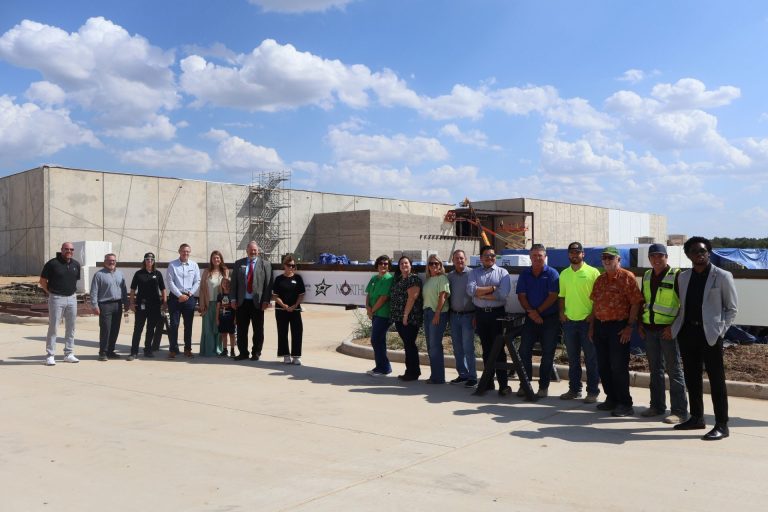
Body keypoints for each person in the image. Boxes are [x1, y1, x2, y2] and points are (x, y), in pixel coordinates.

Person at [671, 236, 738, 441]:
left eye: (703, 251)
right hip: (687, 333)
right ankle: (697, 418)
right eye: (694, 252)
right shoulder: (683, 277)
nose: (699, 255)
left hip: (710, 335)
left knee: (717, 381)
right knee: (692, 378)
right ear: (688, 255)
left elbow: (731, 309)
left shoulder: (722, 276)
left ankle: (722, 424)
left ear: (708, 252)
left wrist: (720, 331)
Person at [589, 246, 644, 417]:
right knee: (604, 366)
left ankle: (625, 403)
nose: (607, 261)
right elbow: (595, 304)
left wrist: (629, 327)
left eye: (610, 258)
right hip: (600, 326)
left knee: (618, 366)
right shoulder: (600, 279)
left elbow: (636, 303)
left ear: (618, 260)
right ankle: (611, 398)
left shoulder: (627, 277)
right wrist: (592, 327)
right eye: (604, 258)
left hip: (618, 327)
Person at [638, 243, 688, 424]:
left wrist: (673, 328)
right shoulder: (647, 275)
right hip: (650, 329)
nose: (657, 260)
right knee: (655, 370)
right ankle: (657, 406)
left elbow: (684, 306)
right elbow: (643, 301)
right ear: (649, 258)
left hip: (668, 331)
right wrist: (640, 323)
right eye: (653, 256)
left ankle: (680, 411)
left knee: (674, 371)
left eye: (660, 256)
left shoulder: (677, 276)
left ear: (667, 257)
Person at [515, 244, 560, 398]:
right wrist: (532, 313)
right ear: (530, 257)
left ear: (545, 257)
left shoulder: (552, 273)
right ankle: (524, 385)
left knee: (547, 354)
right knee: (524, 351)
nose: (537, 258)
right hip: (531, 318)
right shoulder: (525, 274)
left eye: (540, 255)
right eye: (534, 255)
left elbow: (553, 296)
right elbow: (521, 295)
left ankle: (543, 387)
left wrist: (538, 312)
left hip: (549, 320)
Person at [558, 242, 601, 403]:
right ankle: (574, 390)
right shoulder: (564, 274)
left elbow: (598, 297)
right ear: (568, 255)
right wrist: (562, 313)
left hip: (587, 322)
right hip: (569, 323)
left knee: (591, 359)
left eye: (577, 252)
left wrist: (593, 315)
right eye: (571, 252)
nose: (574, 255)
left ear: (583, 254)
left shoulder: (593, 272)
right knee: (573, 359)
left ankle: (593, 392)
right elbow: (561, 296)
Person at [467, 245, 512, 396]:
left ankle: (503, 385)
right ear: (481, 258)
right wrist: (493, 288)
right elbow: (471, 291)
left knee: (499, 350)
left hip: (497, 315)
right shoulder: (474, 273)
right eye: (486, 255)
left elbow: (503, 294)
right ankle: (488, 382)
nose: (490, 258)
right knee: (486, 350)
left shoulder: (502, 272)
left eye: (492, 255)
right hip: (481, 315)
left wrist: (482, 295)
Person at [39, 242, 82, 366]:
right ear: (61, 249)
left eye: (71, 249)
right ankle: (50, 355)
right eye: (66, 249)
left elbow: (73, 280)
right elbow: (42, 281)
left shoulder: (76, 264)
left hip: (72, 298)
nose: (69, 251)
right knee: (53, 327)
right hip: (57, 298)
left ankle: (68, 354)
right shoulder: (52, 264)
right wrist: (51, 292)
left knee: (71, 327)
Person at [230, 241, 273, 361]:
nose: (253, 252)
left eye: (255, 250)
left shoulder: (265, 264)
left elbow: (268, 285)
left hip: (258, 303)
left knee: (258, 330)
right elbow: (234, 284)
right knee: (242, 330)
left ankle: (256, 352)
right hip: (241, 303)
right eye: (251, 250)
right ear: (246, 251)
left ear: (258, 251)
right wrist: (233, 299)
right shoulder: (239, 264)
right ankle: (243, 352)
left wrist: (266, 301)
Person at [90, 253, 129, 361]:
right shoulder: (99, 275)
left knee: (115, 329)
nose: (111, 262)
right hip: (105, 305)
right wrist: (94, 305)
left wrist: (126, 303)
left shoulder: (120, 274)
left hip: (118, 304)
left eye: (113, 261)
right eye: (109, 260)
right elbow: (94, 291)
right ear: (105, 261)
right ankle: (103, 352)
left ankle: (111, 351)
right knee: (106, 329)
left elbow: (124, 290)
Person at [389, 255, 423, 381]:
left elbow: (412, 297)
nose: (404, 265)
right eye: (402, 264)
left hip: (409, 318)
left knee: (410, 345)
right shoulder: (399, 279)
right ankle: (410, 371)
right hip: (400, 318)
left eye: (406, 263)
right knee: (407, 345)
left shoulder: (413, 279)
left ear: (410, 265)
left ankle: (413, 372)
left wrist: (405, 316)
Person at [447, 249, 477, 387]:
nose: (459, 261)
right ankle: (462, 374)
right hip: (454, 316)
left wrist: (476, 315)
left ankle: (472, 376)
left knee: (468, 347)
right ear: (452, 261)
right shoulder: (450, 276)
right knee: (457, 348)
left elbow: (476, 295)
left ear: (465, 259)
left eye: (461, 258)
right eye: (456, 258)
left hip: (468, 316)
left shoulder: (473, 274)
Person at [128, 252, 166, 360]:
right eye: (147, 259)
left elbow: (163, 289)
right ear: (144, 261)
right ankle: (133, 352)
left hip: (154, 306)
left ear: (154, 261)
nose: (149, 261)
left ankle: (147, 350)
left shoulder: (158, 274)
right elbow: (132, 289)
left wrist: (165, 302)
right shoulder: (138, 273)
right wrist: (131, 303)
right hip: (141, 305)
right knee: (138, 329)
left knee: (150, 329)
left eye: (151, 259)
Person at [166, 243, 201, 359]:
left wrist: (190, 293)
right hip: (175, 299)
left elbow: (197, 281)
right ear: (179, 251)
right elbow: (170, 282)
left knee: (188, 325)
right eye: (183, 251)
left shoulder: (194, 265)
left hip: (189, 298)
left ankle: (188, 349)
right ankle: (173, 349)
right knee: (174, 325)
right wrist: (179, 295)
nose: (185, 253)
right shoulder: (172, 265)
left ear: (189, 252)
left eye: (187, 251)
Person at [272, 254, 305, 365]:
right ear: (284, 266)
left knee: (297, 332)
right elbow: (275, 296)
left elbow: (301, 295)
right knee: (282, 332)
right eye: (289, 265)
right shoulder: (278, 279)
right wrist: (284, 305)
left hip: (295, 310)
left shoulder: (298, 278)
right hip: (281, 310)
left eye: (293, 266)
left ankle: (296, 356)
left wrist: (295, 305)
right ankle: (285, 355)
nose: (291, 267)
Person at [422, 255, 450, 384]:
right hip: (427, 313)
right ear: (428, 266)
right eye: (431, 263)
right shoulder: (429, 280)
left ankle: (438, 377)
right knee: (430, 346)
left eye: (437, 263)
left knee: (435, 346)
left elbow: (442, 297)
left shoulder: (442, 278)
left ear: (440, 265)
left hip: (437, 313)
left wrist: (437, 314)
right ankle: (435, 375)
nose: (434, 266)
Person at [365, 255, 394, 377]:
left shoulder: (389, 279)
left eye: (386, 264)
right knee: (379, 341)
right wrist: (368, 308)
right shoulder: (373, 278)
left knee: (375, 340)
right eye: (381, 263)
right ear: (377, 265)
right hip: (375, 314)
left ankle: (384, 368)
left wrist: (372, 311)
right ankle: (380, 367)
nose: (383, 265)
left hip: (383, 314)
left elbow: (383, 298)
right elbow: (368, 295)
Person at [198, 250, 228, 357]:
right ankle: (208, 350)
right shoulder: (206, 272)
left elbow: (227, 288)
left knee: (218, 327)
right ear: (211, 259)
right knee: (208, 328)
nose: (216, 260)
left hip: (220, 304)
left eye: (218, 258)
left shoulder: (225, 271)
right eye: (214, 258)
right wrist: (201, 305)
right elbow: (202, 289)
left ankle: (218, 349)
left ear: (221, 259)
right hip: (208, 303)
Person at [216, 277, 236, 357]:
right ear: (221, 284)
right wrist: (217, 318)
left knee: (232, 334)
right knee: (224, 334)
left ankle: (232, 350)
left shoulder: (233, 295)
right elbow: (217, 308)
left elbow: (236, 308)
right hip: (222, 318)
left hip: (231, 317)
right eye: (224, 283)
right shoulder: (220, 295)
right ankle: (225, 350)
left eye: (228, 283)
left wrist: (235, 318)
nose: (226, 284)